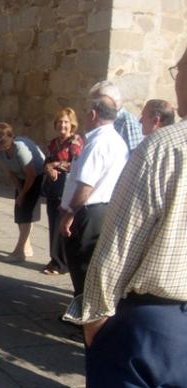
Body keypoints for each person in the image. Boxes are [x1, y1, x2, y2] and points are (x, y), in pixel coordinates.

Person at [63, 48, 187, 388]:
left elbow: (118, 244)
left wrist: (95, 317)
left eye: (178, 71)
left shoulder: (165, 147)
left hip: (156, 327)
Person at [58, 92, 129, 298]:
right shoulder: (117, 141)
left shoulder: (97, 143)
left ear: (93, 114)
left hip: (88, 211)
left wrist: (69, 214)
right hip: (104, 208)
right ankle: (87, 306)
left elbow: (86, 185)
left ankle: (83, 309)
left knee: (81, 263)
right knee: (89, 264)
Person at [0, 122, 44, 262]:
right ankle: (27, 247)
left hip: (37, 176)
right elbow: (12, 172)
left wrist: (23, 194)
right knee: (19, 213)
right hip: (22, 177)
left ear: (8, 138)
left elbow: (31, 174)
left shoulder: (20, 148)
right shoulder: (2, 152)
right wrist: (20, 192)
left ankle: (19, 252)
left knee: (26, 215)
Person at [41, 108, 84, 275]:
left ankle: (62, 263)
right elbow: (46, 162)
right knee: (53, 224)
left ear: (72, 124)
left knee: (63, 224)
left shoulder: (75, 141)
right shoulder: (53, 143)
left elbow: (77, 164)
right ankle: (54, 259)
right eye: (59, 122)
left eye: (66, 122)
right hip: (54, 188)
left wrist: (55, 165)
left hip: (67, 188)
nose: (62, 125)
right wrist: (49, 168)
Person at [89, 80, 143, 152]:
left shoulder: (128, 121)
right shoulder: (104, 118)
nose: (94, 107)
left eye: (98, 103)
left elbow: (135, 152)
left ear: (111, 101)